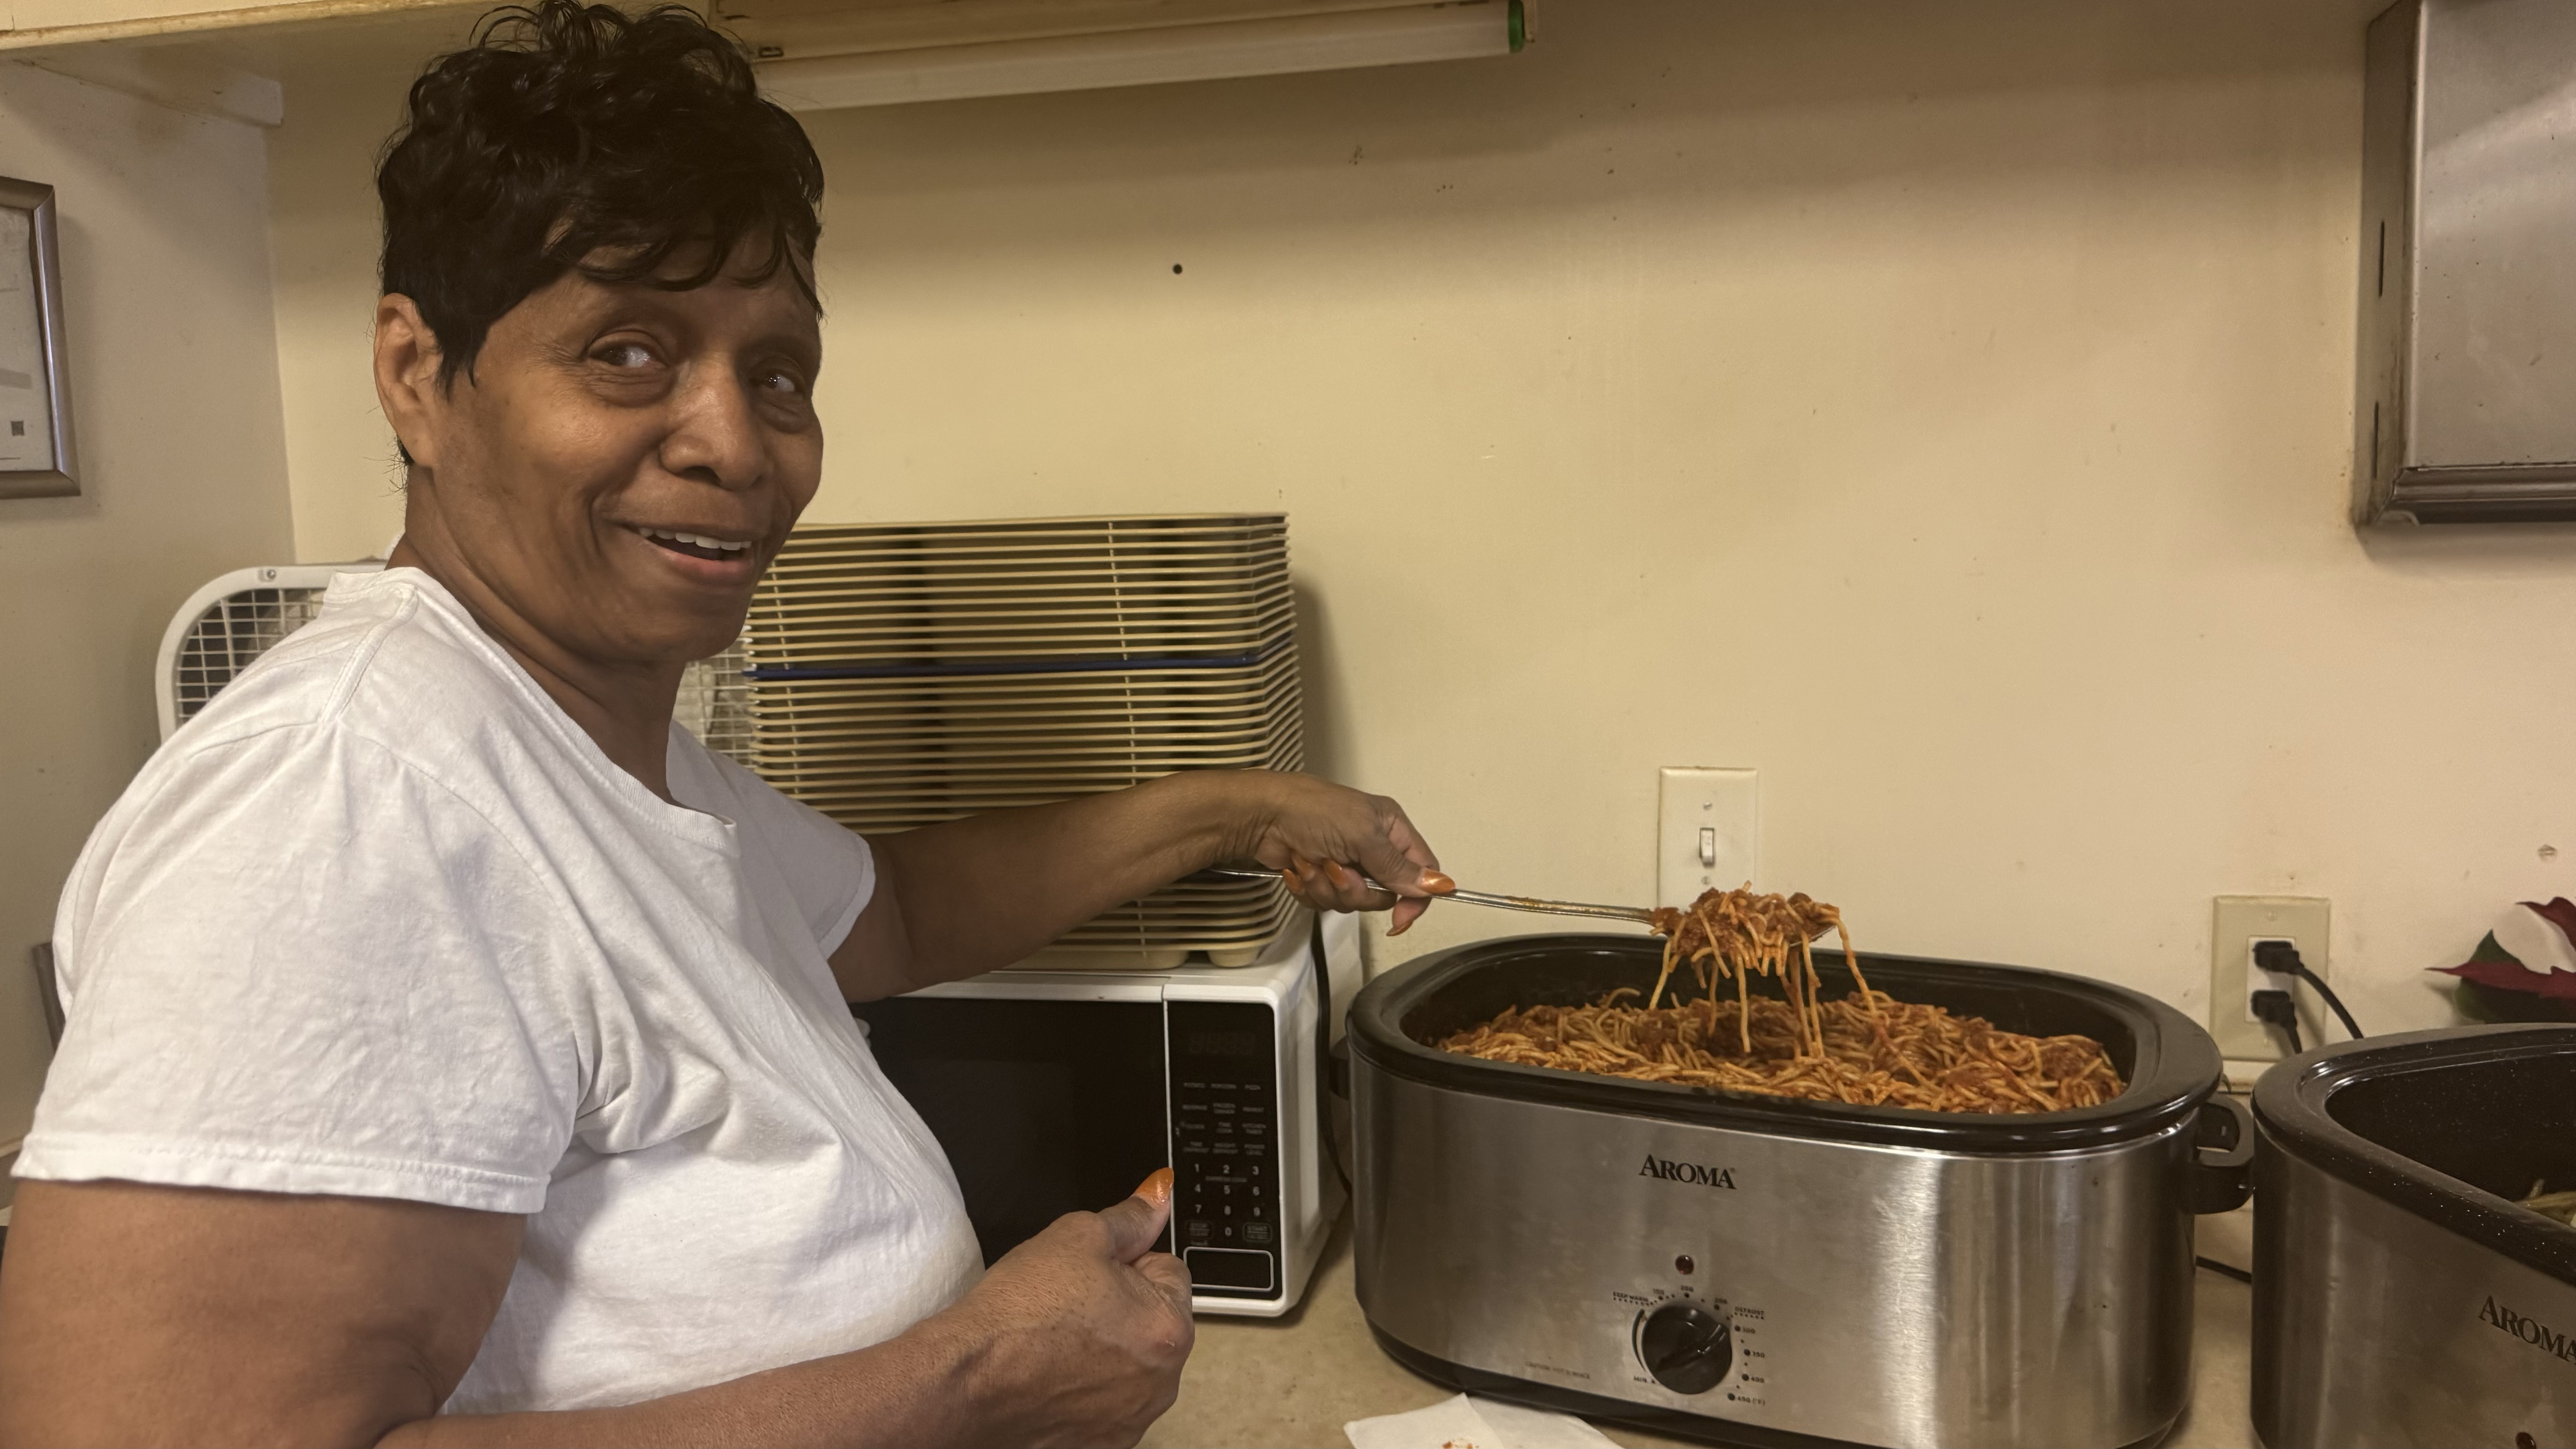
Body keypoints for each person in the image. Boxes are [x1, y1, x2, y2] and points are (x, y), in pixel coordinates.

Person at [0, 6, 1449, 1443]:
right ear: (417, 376)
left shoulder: (594, 750)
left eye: (778, 372)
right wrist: (976, 1374)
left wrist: (1241, 810)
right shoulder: (343, 795)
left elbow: (893, 911)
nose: (736, 442)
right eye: (626, 351)